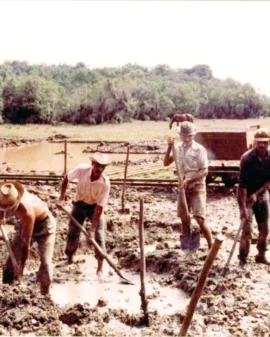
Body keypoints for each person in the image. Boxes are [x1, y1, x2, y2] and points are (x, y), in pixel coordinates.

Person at [59, 152, 110, 278]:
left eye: (102, 167)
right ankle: (70, 257)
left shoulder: (105, 183)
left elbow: (99, 207)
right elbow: (66, 177)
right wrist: (62, 197)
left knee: (98, 237)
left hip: (94, 208)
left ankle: (100, 268)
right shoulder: (82, 170)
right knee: (72, 233)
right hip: (79, 204)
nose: (99, 169)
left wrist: (92, 230)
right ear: (92, 164)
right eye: (97, 165)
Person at [1, 181, 56, 295]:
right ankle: (6, 291)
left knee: (46, 264)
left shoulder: (27, 211)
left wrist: (22, 267)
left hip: (44, 226)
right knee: (10, 264)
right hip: (24, 224)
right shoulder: (4, 196)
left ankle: (44, 297)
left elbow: (25, 243)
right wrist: (1, 218)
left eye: (9, 207)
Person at [163, 121, 212, 249]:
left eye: (190, 136)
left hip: (197, 187)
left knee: (200, 219)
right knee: (184, 219)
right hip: (183, 188)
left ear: (193, 135)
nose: (187, 138)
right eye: (184, 136)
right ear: (180, 135)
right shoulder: (177, 148)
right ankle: (186, 247)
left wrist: (189, 180)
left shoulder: (199, 150)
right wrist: (169, 146)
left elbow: (204, 171)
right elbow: (166, 163)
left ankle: (212, 246)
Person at [238, 128, 270, 265]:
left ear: (268, 142)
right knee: (247, 227)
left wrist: (257, 194)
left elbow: (269, 181)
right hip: (245, 194)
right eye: (258, 143)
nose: (261, 145)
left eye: (264, 143)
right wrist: (243, 208)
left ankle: (261, 255)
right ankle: (243, 257)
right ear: (255, 142)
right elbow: (242, 185)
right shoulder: (246, 158)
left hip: (262, 193)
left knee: (265, 227)